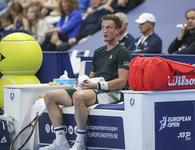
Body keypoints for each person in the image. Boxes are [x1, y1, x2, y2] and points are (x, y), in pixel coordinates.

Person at [39, 14, 132, 150]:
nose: (105, 31)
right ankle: (61, 142)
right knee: (50, 96)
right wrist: (83, 81)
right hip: (95, 89)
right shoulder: (98, 52)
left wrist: (97, 85)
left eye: (109, 28)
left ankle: (80, 142)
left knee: (78, 97)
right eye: (103, 28)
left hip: (113, 92)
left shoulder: (123, 52)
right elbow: (91, 77)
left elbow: (122, 82)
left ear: (118, 30)